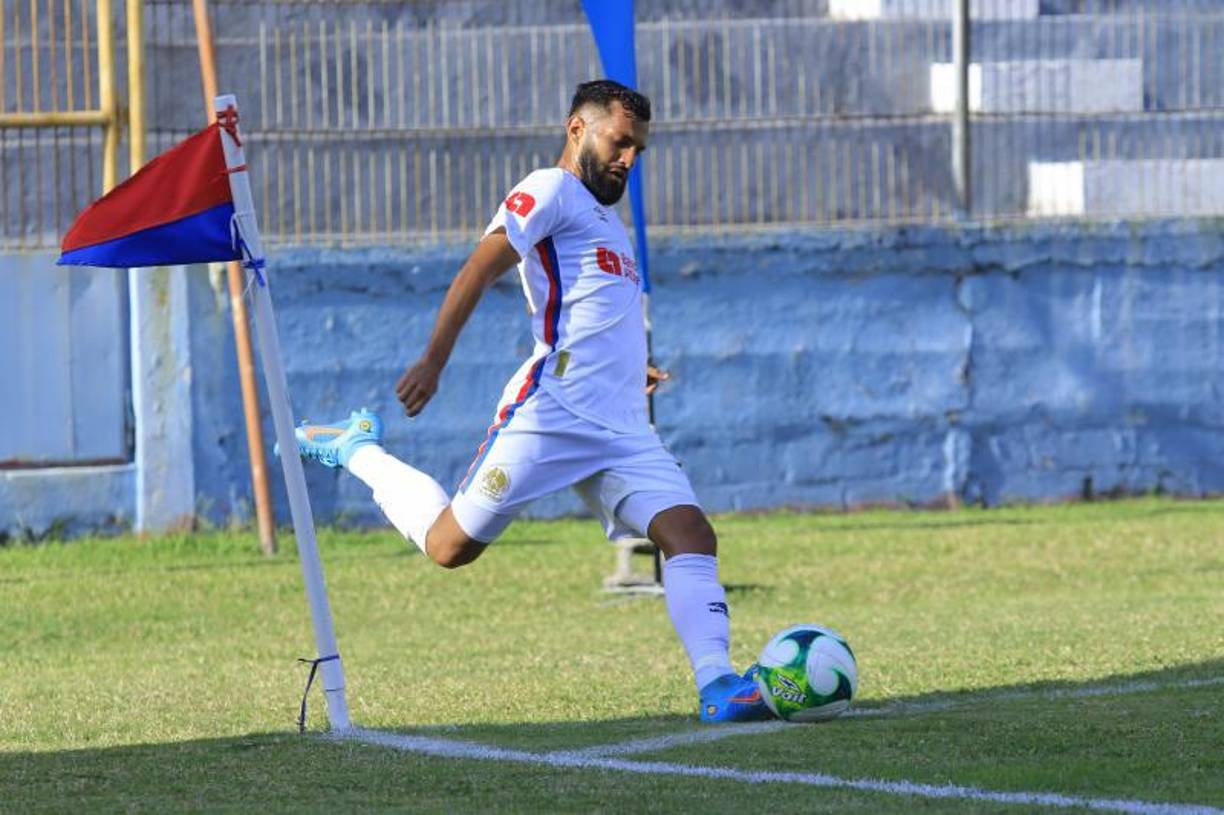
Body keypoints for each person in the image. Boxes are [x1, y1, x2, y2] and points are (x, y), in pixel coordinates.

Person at [293, 79, 767, 723]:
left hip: (621, 425)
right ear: (578, 129)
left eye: (639, 149)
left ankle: (719, 686)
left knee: (690, 535)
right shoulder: (550, 189)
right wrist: (434, 359)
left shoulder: (610, 224)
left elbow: (595, 312)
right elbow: (479, 268)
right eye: (620, 142)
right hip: (553, 413)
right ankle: (356, 449)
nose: (630, 158)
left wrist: (633, 368)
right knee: (448, 548)